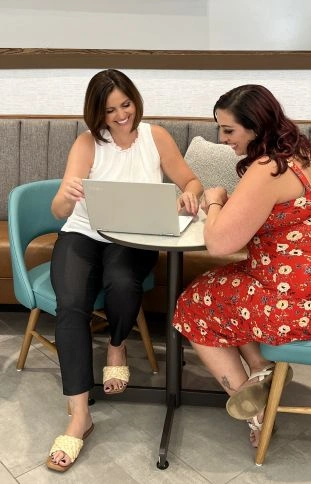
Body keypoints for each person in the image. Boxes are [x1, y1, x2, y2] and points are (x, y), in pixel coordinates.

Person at [172, 84, 311, 448]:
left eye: (228, 130)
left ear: (255, 126)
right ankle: (260, 370)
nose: (222, 139)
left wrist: (216, 198)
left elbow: (220, 243)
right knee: (215, 282)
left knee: (193, 305)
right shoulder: (296, 153)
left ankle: (255, 413)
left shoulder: (267, 167)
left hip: (296, 300)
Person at [47, 69, 203, 472]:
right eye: (109, 110)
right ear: (96, 113)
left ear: (135, 101)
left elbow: (189, 179)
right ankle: (79, 416)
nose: (120, 116)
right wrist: (65, 196)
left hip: (135, 236)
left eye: (126, 105)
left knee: (120, 280)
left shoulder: (156, 137)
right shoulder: (87, 143)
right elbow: (60, 211)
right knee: (72, 305)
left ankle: (117, 345)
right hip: (83, 231)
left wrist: (189, 191)